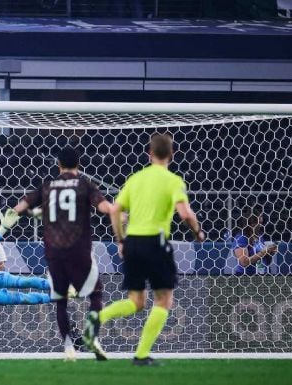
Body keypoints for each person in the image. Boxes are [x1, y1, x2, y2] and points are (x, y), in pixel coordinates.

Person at [84, 134, 205, 366]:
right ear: (171, 154)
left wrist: (121, 240)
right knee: (163, 300)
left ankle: (98, 318)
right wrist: (197, 233)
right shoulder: (173, 180)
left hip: (133, 243)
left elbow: (115, 210)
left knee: (136, 301)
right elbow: (186, 213)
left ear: (149, 154)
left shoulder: (135, 179)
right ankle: (140, 355)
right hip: (156, 243)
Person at [13, 146, 113, 361]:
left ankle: (68, 346)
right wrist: (118, 213)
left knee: (60, 300)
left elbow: (20, 207)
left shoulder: (48, 186)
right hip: (79, 249)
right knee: (95, 294)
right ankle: (92, 336)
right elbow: (104, 207)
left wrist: (29, 213)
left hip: (54, 251)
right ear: (79, 164)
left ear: (58, 164)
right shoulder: (85, 184)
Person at [232, 210, 277, 275]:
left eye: (262, 223)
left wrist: (270, 253)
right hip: (247, 276)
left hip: (264, 274)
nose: (262, 226)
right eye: (260, 223)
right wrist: (264, 252)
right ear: (252, 223)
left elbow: (266, 262)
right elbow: (244, 262)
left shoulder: (260, 236)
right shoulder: (241, 238)